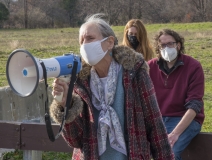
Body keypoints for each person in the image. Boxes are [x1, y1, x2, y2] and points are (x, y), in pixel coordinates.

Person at [50, 14, 174, 160]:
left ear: (109, 42)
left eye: (90, 38)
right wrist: (66, 106)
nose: (84, 45)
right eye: (81, 41)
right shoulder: (80, 82)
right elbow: (76, 141)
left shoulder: (134, 74)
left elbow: (155, 126)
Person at [148, 29, 205, 160]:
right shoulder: (150, 67)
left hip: (186, 119)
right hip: (159, 119)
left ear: (178, 45)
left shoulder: (193, 66)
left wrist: (175, 134)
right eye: (162, 45)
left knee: (170, 152)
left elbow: (194, 105)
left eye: (170, 44)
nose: (166, 48)